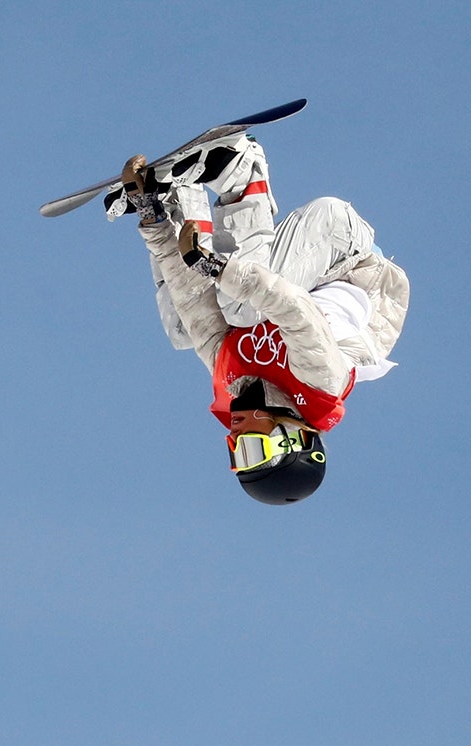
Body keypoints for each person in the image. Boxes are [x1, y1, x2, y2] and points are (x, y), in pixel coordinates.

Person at [104, 134, 410, 503]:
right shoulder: (321, 383)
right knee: (242, 306)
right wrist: (219, 269)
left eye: (236, 455)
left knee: (183, 329)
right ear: (291, 439)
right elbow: (293, 309)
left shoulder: (232, 378)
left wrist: (153, 221)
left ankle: (172, 195)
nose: (235, 440)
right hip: (345, 251)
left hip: (289, 272)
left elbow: (191, 301)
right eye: (253, 451)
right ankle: (237, 166)